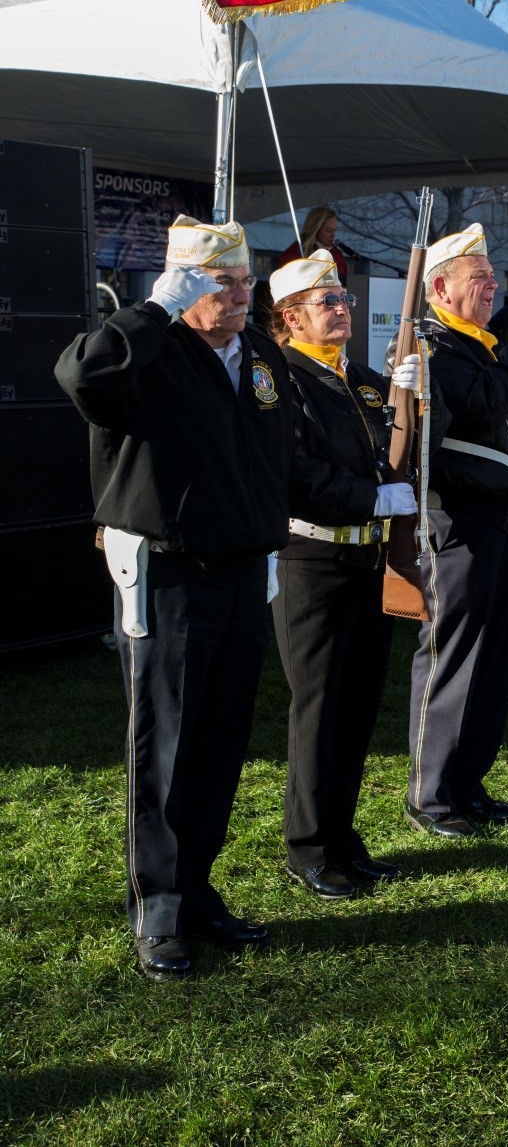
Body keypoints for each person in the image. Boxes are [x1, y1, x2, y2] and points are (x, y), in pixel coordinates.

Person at [54, 217, 294, 981]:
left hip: (242, 565)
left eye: (244, 281)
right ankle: (156, 906)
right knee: (166, 744)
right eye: (220, 283)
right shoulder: (148, 351)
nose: (237, 295)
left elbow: (272, 449)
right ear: (184, 285)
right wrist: (150, 311)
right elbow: (84, 377)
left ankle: (196, 890)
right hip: (172, 571)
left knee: (221, 741)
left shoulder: (257, 355)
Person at [268, 253, 438, 900]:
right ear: (291, 316)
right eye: (327, 301)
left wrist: (417, 399)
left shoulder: (363, 380)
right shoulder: (281, 380)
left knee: (359, 704)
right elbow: (294, 470)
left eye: (342, 297)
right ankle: (308, 845)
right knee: (318, 706)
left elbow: (405, 453)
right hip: (312, 559)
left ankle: (342, 835)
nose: (342, 308)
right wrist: (366, 498)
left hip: (369, 559)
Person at [405, 224, 508, 837]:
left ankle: (468, 782)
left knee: (496, 661)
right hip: (459, 524)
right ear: (439, 288)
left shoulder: (485, 348)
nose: (492, 286)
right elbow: (481, 403)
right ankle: (430, 793)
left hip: (504, 520)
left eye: (491, 276)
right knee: (452, 658)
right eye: (478, 278)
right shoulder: (436, 349)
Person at [276, 206, 348, 283]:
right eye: (329, 230)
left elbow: (343, 280)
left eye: (335, 230)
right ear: (315, 229)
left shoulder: (337, 255)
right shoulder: (295, 253)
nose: (333, 235)